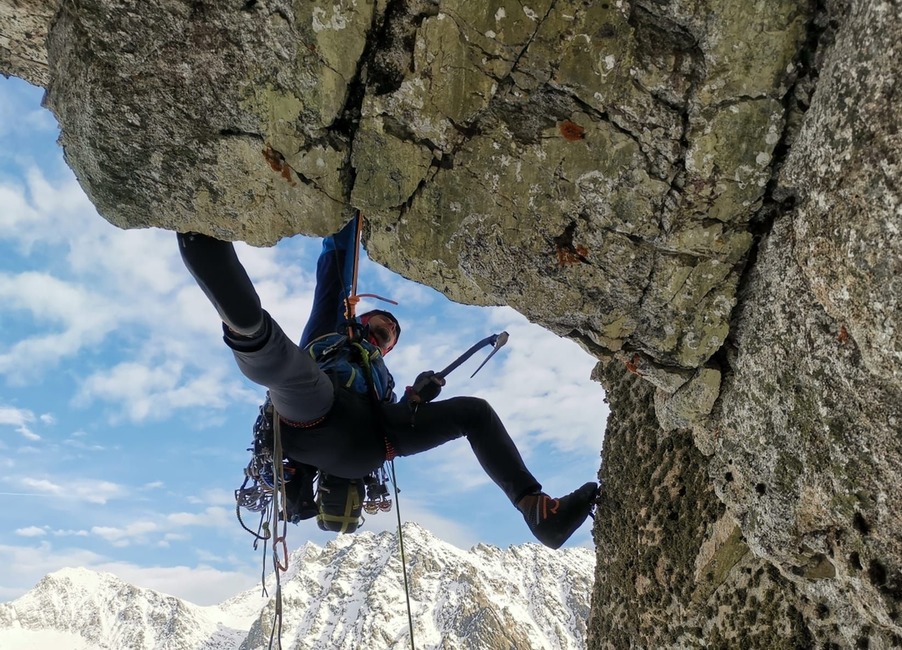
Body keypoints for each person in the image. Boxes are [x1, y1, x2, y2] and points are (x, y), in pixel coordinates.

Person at [177, 218, 598, 549]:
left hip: (367, 432)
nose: (388, 331)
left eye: (391, 335)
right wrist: (347, 222)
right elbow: (334, 270)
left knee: (475, 413)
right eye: (382, 325)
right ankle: (245, 321)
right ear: (358, 319)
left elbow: (397, 411)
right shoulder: (330, 330)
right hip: (321, 412)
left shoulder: (384, 379)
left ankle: (536, 509)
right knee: (286, 367)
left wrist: (417, 397)